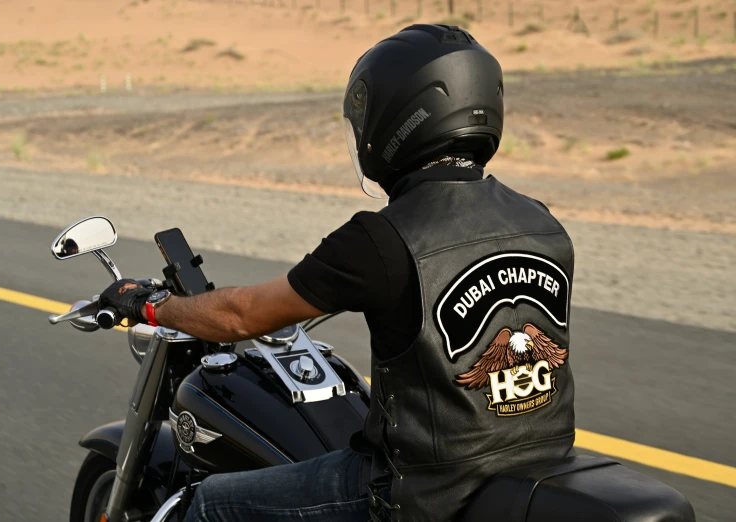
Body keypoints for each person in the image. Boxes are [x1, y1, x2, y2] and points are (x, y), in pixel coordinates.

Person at [99, 24, 576, 522]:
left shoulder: (383, 238)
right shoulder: (542, 222)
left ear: (398, 118)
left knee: (202, 505)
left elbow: (241, 317)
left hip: (419, 489)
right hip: (535, 469)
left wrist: (149, 304)